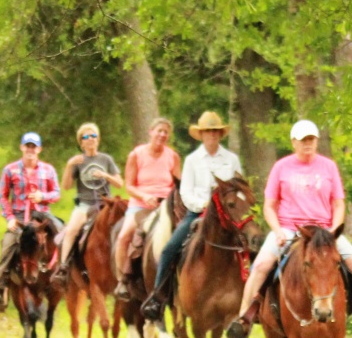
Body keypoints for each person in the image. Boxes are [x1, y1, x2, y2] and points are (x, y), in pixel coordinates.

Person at [225, 119, 352, 338]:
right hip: (289, 228)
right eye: (303, 140)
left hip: (324, 231)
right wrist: (276, 231)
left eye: (312, 140)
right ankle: (244, 319)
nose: (308, 145)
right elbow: (269, 205)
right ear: (294, 142)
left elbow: (339, 204)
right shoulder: (281, 167)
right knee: (262, 265)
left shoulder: (328, 167)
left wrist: (334, 229)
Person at [140, 111, 243, 323]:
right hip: (198, 213)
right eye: (208, 132)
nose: (211, 136)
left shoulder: (231, 160)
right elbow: (186, 192)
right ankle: (158, 296)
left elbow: (239, 188)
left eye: (215, 132)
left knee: (250, 245)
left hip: (227, 215)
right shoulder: (192, 160)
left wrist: (235, 206)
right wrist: (203, 205)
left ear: (220, 134)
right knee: (169, 249)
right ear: (202, 135)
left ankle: (252, 300)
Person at [0, 131, 61, 309]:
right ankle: (1, 287)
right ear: (22, 147)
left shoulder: (48, 170)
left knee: (62, 235)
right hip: (20, 217)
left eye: (34, 147)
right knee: (8, 244)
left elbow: (56, 193)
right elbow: (2, 196)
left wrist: (42, 195)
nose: (30, 150)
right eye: (27, 146)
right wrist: (10, 218)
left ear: (39, 149)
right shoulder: (10, 169)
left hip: (42, 215)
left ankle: (65, 278)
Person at [113, 117, 182, 299]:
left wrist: (170, 200)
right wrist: (144, 196)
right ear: (150, 132)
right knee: (124, 236)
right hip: (140, 204)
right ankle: (123, 280)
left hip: (165, 205)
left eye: (166, 132)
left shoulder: (172, 156)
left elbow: (178, 184)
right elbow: (128, 185)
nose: (162, 135)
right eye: (159, 130)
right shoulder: (136, 155)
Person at [54, 122, 123, 283]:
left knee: (124, 229)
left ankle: (126, 269)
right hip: (85, 204)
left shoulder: (106, 159)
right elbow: (66, 186)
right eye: (86, 137)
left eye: (93, 136)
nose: (90, 139)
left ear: (98, 139)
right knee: (71, 230)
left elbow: (119, 183)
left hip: (106, 204)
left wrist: (106, 176)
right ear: (81, 142)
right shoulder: (78, 161)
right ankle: (63, 266)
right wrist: (69, 165)